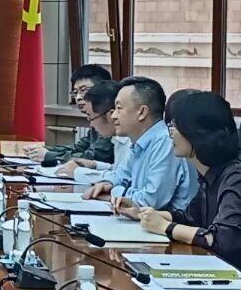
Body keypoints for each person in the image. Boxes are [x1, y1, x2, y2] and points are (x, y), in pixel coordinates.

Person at [136, 91, 241, 290]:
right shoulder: (211, 174)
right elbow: (191, 218)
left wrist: (165, 227)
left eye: (174, 127)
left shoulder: (237, 178)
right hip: (229, 277)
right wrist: (144, 214)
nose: (171, 134)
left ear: (196, 134)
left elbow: (224, 240)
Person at [81, 76, 195, 211]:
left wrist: (114, 192)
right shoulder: (140, 142)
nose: (113, 116)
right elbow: (119, 175)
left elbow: (149, 201)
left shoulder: (165, 142)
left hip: (169, 222)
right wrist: (108, 183)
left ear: (142, 112)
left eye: (119, 108)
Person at [25, 64, 114, 166]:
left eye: (83, 90)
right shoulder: (96, 119)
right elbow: (78, 148)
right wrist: (43, 150)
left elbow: (94, 157)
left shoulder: (109, 120)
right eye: (75, 92)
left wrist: (49, 155)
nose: (78, 98)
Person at [53, 81, 124, 182]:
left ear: (111, 115)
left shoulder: (129, 141)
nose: (91, 124)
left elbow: (124, 180)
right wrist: (94, 165)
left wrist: (77, 172)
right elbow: (120, 170)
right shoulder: (118, 138)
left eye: (91, 118)